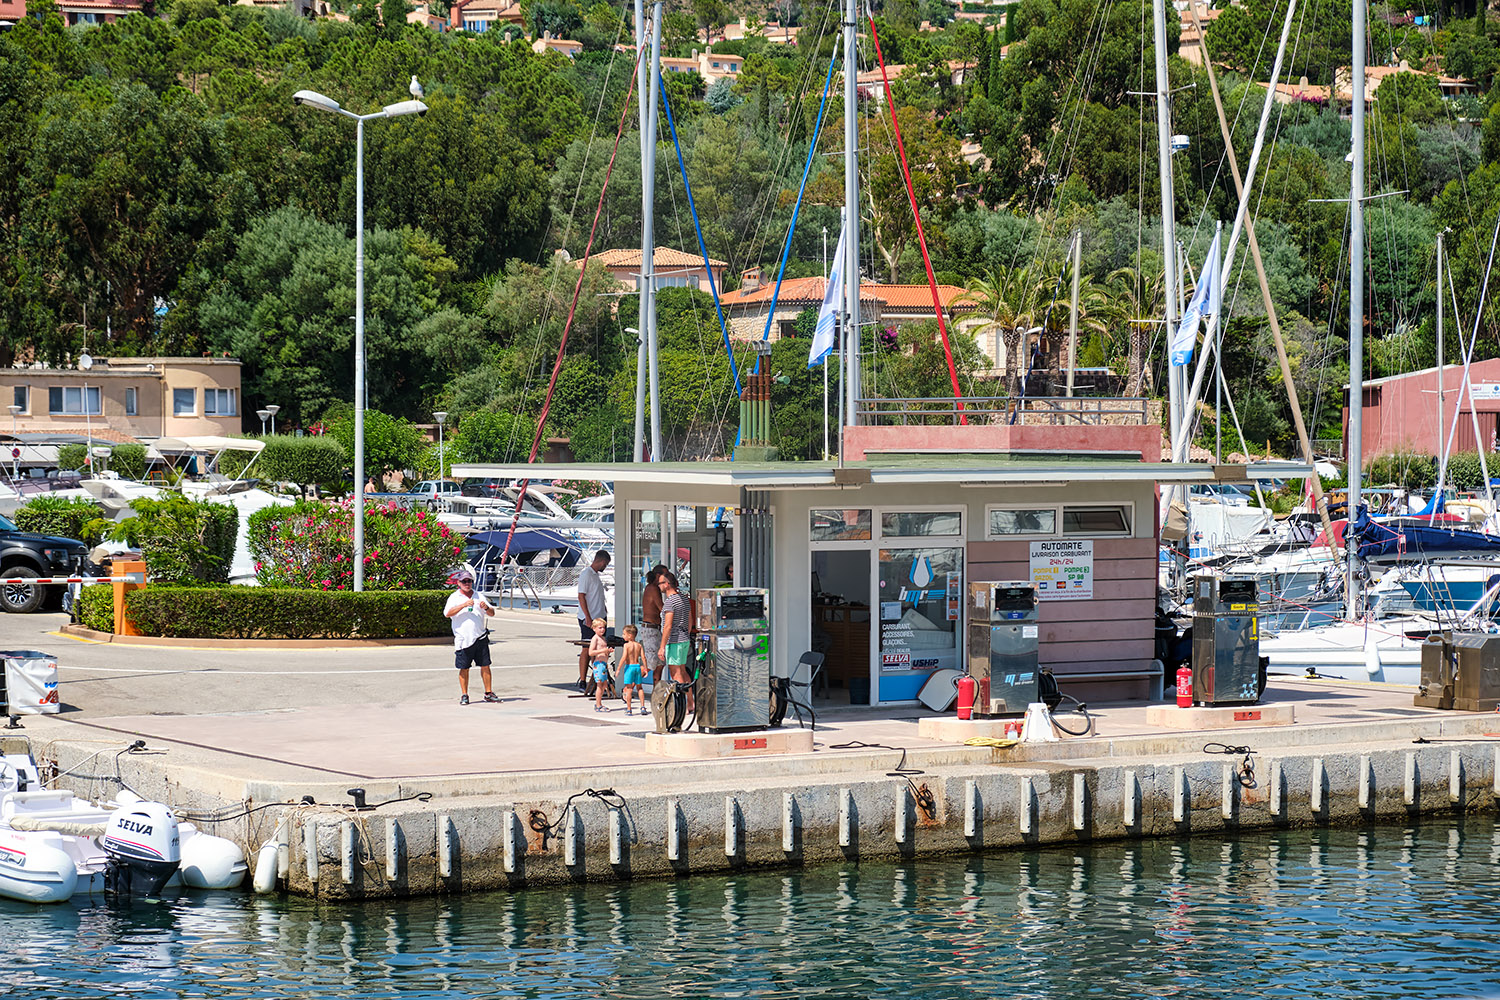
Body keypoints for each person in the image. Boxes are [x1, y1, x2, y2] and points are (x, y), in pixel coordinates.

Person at [444, 569, 497, 705]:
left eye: (469, 581)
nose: (467, 584)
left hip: (480, 636)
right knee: (464, 667)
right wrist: (463, 605)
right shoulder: (454, 597)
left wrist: (486, 608)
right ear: (459, 583)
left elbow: (492, 613)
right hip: (463, 639)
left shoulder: (479, 595)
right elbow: (447, 613)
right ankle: (464, 694)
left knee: (485, 665)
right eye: (464, 581)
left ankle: (488, 692)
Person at [575, 550, 611, 690]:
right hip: (589, 618)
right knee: (586, 647)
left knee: (600, 648)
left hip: (600, 616)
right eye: (606, 564)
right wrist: (588, 618)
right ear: (601, 562)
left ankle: (596, 678)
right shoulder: (586, 574)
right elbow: (581, 596)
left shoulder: (596, 576)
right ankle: (583, 680)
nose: (605, 567)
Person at [658, 571, 693, 712]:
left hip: (675, 640)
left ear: (667, 584)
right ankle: (690, 702)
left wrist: (662, 646)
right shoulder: (684, 599)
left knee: (676, 673)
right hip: (684, 639)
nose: (659, 586)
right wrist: (686, 633)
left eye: (660, 583)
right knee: (683, 672)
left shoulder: (670, 601)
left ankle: (682, 705)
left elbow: (667, 625)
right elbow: (690, 620)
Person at [639, 563, 668, 686]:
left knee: (660, 663)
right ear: (658, 575)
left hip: (655, 629)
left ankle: (657, 692)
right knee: (650, 664)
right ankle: (629, 686)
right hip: (650, 629)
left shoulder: (652, 588)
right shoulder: (652, 588)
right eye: (665, 575)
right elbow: (661, 607)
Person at [617, 624, 646, 716]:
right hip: (637, 667)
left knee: (629, 689)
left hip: (629, 667)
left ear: (629, 635)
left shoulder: (626, 645)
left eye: (624, 634)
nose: (623, 636)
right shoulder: (639, 645)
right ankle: (642, 707)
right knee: (639, 687)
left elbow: (624, 657)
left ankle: (629, 709)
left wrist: (618, 668)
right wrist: (645, 668)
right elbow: (643, 657)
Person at [588, 618, 612, 712]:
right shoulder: (595, 639)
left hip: (603, 664)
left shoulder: (603, 638)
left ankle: (599, 702)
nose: (602, 630)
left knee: (604, 684)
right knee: (600, 685)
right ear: (594, 628)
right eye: (600, 628)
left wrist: (608, 652)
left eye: (603, 628)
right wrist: (603, 650)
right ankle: (598, 705)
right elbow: (591, 652)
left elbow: (604, 652)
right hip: (599, 664)